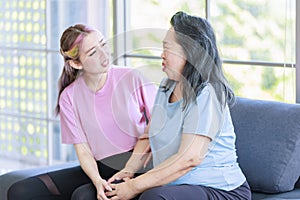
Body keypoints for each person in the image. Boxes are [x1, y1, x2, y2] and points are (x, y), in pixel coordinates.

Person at [105, 11, 251, 200]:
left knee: (153, 198)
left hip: (221, 190)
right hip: (174, 185)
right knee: (90, 194)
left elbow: (189, 159)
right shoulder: (168, 85)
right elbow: (148, 136)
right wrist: (128, 171)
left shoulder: (208, 92)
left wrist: (134, 187)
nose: (161, 55)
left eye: (168, 48)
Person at [8, 24, 157, 200]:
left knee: (82, 197)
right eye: (93, 52)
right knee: (20, 191)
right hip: (99, 167)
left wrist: (131, 170)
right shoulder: (69, 97)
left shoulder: (132, 77)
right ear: (76, 63)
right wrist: (97, 180)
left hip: (138, 166)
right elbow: (84, 151)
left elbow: (160, 126)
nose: (103, 54)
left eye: (103, 44)